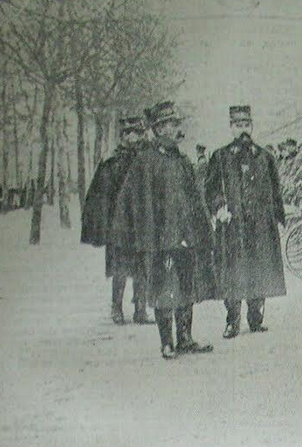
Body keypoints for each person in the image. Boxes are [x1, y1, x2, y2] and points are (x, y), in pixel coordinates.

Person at [112, 101, 216, 359]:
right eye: (168, 125)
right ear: (158, 129)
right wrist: (140, 235)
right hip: (159, 240)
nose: (173, 129)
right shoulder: (145, 161)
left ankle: (185, 339)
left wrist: (202, 230)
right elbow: (129, 201)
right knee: (163, 289)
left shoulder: (182, 161)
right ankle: (166, 342)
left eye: (175, 124)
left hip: (186, 237)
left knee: (187, 288)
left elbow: (195, 198)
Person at [205, 105, 287, 339]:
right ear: (231, 128)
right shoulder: (220, 157)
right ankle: (232, 321)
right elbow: (211, 188)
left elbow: (275, 189)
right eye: (238, 125)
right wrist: (219, 207)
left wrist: (278, 216)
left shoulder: (265, 157)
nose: (243, 130)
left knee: (259, 268)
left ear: (252, 126)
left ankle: (255, 318)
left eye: (246, 125)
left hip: (260, 224)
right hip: (233, 225)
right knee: (232, 271)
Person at [81, 115, 154, 325]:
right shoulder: (112, 162)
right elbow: (101, 194)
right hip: (120, 223)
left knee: (142, 267)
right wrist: (105, 223)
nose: (133, 137)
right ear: (122, 136)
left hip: (142, 222)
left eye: (137, 133)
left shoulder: (147, 160)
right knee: (119, 268)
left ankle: (140, 309)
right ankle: (117, 308)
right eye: (128, 133)